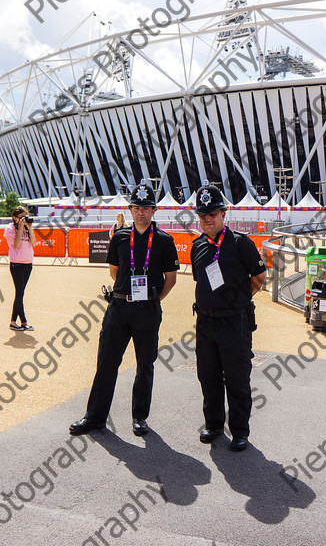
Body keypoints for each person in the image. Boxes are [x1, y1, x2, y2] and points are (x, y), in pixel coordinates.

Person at [69, 184, 179, 437]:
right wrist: (127, 294)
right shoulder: (119, 237)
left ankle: (139, 417)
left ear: (154, 210)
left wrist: (153, 300)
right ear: (130, 209)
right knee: (106, 362)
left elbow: (170, 278)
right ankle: (94, 417)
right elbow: (114, 271)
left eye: (146, 208)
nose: (141, 212)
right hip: (118, 307)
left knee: (145, 364)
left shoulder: (164, 240)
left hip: (147, 310)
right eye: (136, 207)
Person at [190, 185, 266, 452]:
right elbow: (200, 280)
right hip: (206, 323)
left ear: (224, 214)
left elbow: (259, 277)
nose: (207, 219)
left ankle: (240, 431)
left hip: (235, 322)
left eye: (212, 213)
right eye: (202, 215)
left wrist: (239, 301)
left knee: (236, 378)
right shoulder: (197, 246)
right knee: (207, 376)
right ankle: (213, 424)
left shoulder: (240, 243)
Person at [4, 206, 35, 331]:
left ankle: (13, 321)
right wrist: (20, 228)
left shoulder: (27, 228)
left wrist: (30, 229)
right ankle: (24, 322)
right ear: (14, 218)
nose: (24, 220)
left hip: (28, 264)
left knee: (20, 294)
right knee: (20, 293)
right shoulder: (10, 229)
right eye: (21, 217)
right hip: (17, 264)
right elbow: (17, 245)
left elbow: (34, 243)